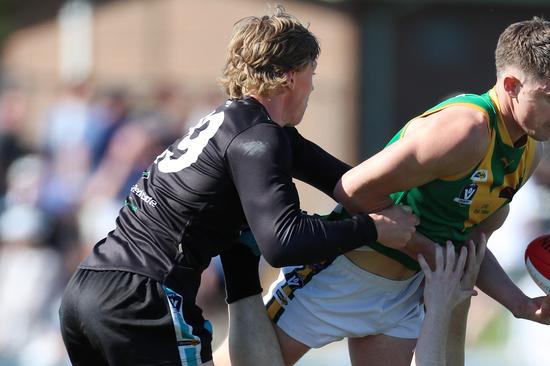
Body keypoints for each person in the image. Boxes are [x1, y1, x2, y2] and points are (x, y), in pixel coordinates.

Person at [58, 6, 420, 366]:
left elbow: (345, 182)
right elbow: (283, 242)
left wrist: (417, 190)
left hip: (88, 289)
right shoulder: (259, 138)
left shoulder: (239, 124)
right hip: (142, 300)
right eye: (313, 70)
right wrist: (373, 229)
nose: (314, 82)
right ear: (291, 76)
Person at [263, 17, 550, 366]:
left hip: (403, 298)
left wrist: (521, 304)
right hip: (343, 276)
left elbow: (467, 247)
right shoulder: (465, 130)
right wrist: (423, 247)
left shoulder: (529, 152)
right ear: (511, 85)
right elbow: (351, 188)